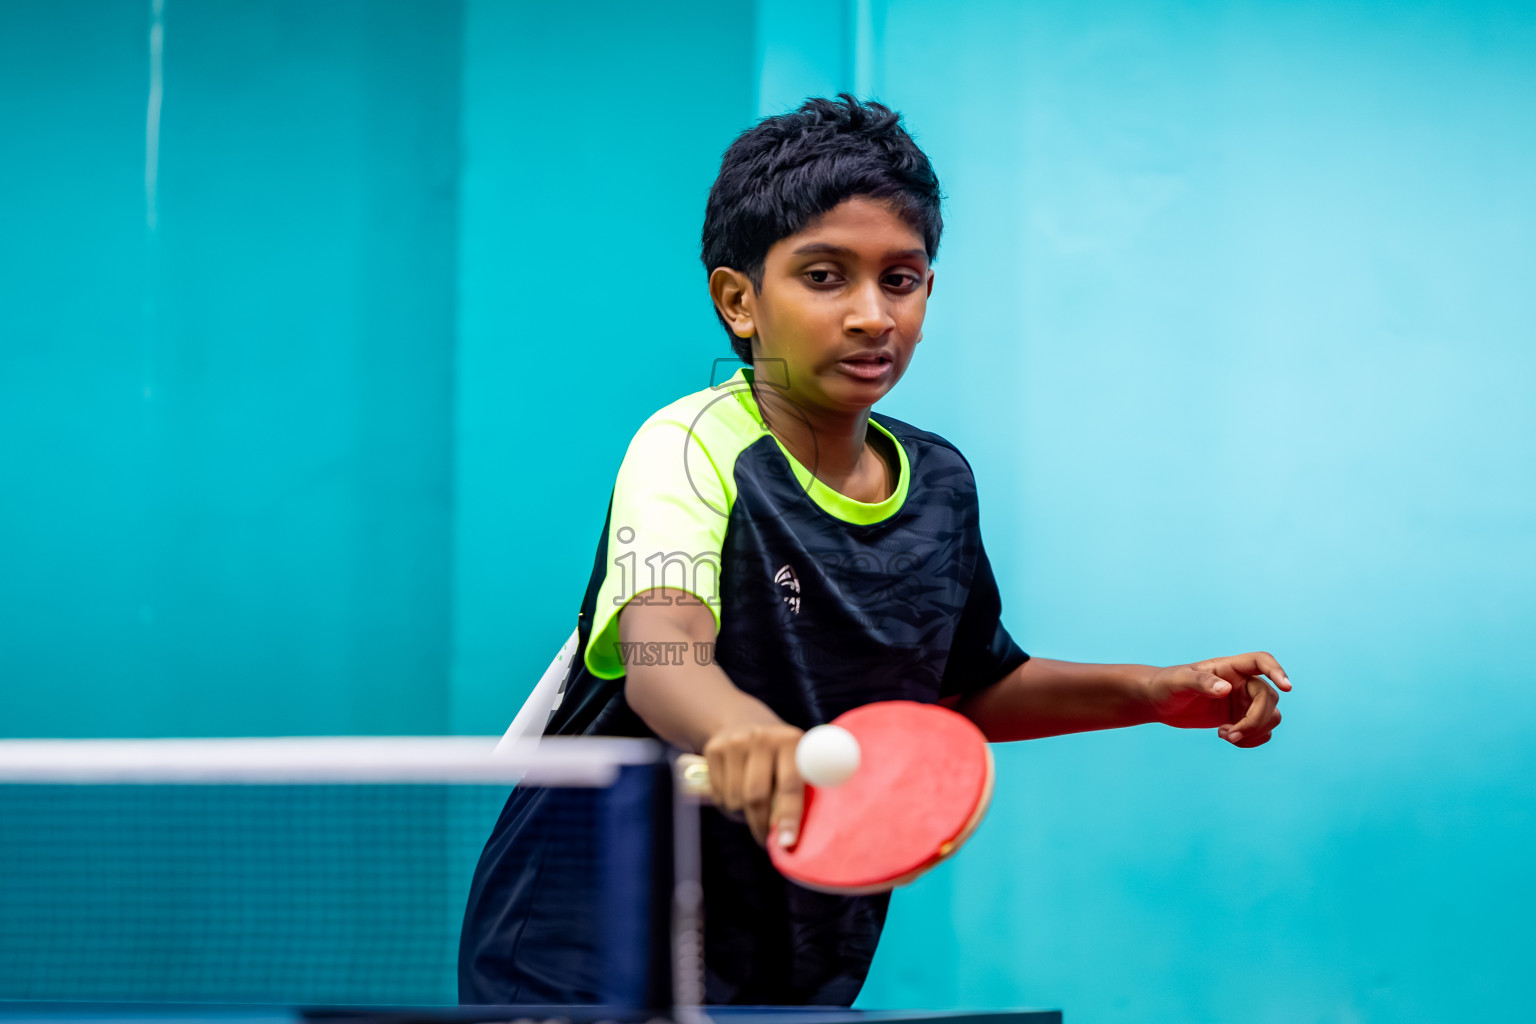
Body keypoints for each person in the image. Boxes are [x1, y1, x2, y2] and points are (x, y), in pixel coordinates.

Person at [458, 94, 1289, 1006]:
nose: (870, 314)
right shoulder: (692, 444)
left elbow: (957, 692)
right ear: (739, 300)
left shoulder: (939, 484)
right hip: (586, 939)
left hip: (797, 939)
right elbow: (660, 651)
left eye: (901, 279)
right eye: (824, 276)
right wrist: (738, 727)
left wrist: (1149, 693)